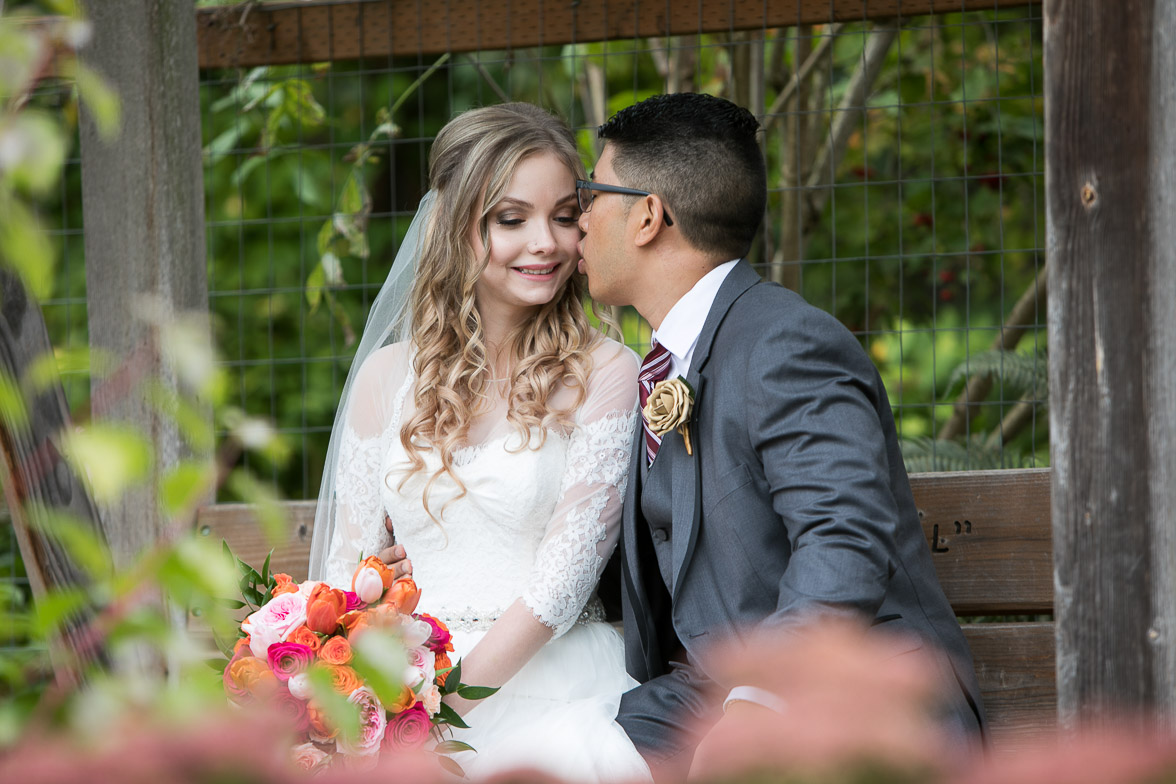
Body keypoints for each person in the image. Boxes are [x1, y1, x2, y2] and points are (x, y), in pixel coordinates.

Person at [574, 92, 986, 780]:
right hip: (704, 695)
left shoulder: (786, 343)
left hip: (860, 702)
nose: (578, 220)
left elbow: (844, 537)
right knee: (552, 756)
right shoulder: (670, 361)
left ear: (647, 215)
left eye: (591, 193)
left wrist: (758, 707)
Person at [308, 102, 651, 783]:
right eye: (511, 219)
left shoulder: (608, 372)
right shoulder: (384, 379)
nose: (546, 243)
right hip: (402, 684)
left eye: (563, 215)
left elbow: (561, 583)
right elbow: (345, 576)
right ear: (458, 227)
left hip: (548, 682)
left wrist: (438, 717)